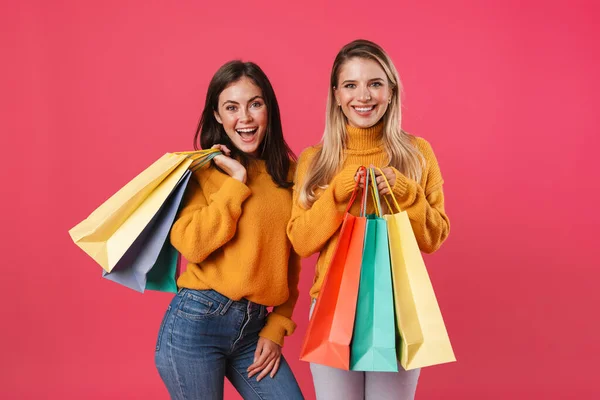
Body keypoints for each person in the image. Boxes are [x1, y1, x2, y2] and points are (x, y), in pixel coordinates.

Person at [287, 39, 450, 400]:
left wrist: (407, 192)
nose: (363, 96)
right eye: (351, 85)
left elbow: (434, 238)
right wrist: (337, 193)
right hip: (331, 306)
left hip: (397, 309)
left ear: (391, 91)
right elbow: (300, 241)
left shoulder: (417, 154)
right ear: (336, 94)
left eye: (375, 83)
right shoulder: (315, 161)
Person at [155, 60, 304, 400]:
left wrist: (278, 325)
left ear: (269, 107)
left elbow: (291, 259)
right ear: (218, 116)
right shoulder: (204, 170)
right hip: (196, 324)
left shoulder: (290, 172)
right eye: (232, 107)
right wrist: (235, 183)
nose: (246, 118)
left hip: (253, 328)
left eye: (255, 103)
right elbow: (192, 246)